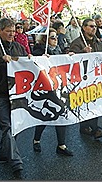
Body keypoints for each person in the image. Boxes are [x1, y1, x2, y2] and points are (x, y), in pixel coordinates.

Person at [0, 18, 26, 175]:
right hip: (0, 93)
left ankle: (4, 153)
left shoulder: (18, 47)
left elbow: (27, 62)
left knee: (14, 126)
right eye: (8, 31)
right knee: (7, 126)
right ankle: (16, 161)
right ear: (0, 31)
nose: (11, 34)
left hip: (16, 93)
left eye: (13, 31)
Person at [32, 28, 73, 156]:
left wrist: (69, 57)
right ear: (45, 39)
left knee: (61, 113)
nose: (55, 40)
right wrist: (41, 58)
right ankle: (36, 140)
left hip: (58, 87)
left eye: (56, 37)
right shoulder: (39, 50)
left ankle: (61, 145)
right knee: (46, 115)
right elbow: (34, 63)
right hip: (46, 88)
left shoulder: (58, 49)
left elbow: (62, 62)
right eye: (52, 37)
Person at [69, 18, 102, 139]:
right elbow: (71, 60)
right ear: (84, 28)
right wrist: (82, 52)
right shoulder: (77, 42)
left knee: (92, 103)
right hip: (82, 78)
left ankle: (86, 127)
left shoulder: (98, 42)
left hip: (95, 77)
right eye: (91, 26)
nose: (94, 28)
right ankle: (95, 129)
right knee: (86, 103)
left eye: (95, 26)